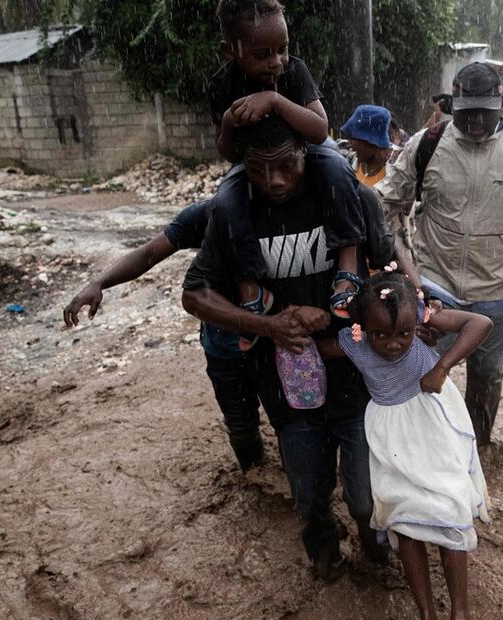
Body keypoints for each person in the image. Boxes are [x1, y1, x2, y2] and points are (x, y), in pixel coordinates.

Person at [182, 117, 391, 581]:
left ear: (305, 153)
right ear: (243, 167)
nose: (274, 182)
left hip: (353, 379)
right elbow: (193, 294)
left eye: (286, 167)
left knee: (364, 496)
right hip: (285, 386)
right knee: (309, 496)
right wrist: (267, 324)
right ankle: (326, 564)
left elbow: (390, 269)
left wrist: (390, 313)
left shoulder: (349, 197)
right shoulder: (232, 214)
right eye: (258, 170)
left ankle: (377, 553)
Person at [377, 62, 503, 448]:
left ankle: (479, 449)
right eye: (466, 111)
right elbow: (385, 204)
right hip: (434, 285)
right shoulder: (426, 144)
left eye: (484, 113)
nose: (473, 121)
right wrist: (398, 266)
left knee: (487, 375)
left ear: (501, 103)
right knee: (418, 368)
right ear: (454, 103)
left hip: (498, 289)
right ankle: (426, 453)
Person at [315, 270, 491, 620]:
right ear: (362, 327)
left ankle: (461, 619)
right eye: (381, 335)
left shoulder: (424, 319)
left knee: (449, 512)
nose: (393, 345)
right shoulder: (353, 339)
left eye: (403, 334)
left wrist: (442, 366)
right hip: (390, 438)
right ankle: (427, 619)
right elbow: (317, 348)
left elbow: (480, 323)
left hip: (433, 428)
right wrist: (281, 329)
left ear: (417, 322)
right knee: (403, 521)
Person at [62, 194, 267, 472]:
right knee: (242, 428)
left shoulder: (283, 209)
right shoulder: (209, 213)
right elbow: (148, 253)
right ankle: (257, 482)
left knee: (295, 422)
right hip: (224, 339)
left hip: (274, 337)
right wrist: (99, 282)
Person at [207, 0, 364, 344]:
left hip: (305, 151)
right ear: (229, 51)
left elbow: (320, 130)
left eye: (282, 49)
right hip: (254, 162)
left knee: (339, 167)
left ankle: (348, 264)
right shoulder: (222, 84)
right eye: (262, 54)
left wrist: (275, 101)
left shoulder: (294, 72)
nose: (275, 62)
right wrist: (231, 122)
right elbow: (229, 152)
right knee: (224, 203)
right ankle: (251, 287)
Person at [341, 104, 392, 188]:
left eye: (354, 138)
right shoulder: (349, 162)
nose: (350, 144)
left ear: (370, 141)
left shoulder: (398, 170)